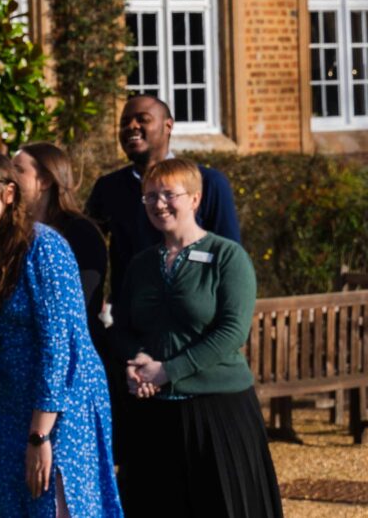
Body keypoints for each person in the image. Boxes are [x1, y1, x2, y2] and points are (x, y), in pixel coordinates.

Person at [0, 153, 123, 518]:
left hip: (62, 405)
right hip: (11, 405)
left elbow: (59, 346)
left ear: (9, 193)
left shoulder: (45, 248)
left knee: (56, 505)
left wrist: (40, 436)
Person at [109, 159, 282, 517]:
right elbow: (122, 327)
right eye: (150, 197)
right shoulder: (141, 265)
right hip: (153, 413)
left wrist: (168, 370)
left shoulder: (227, 257)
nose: (158, 204)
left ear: (195, 199)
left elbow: (232, 332)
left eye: (169, 194)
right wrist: (138, 364)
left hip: (218, 412)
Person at [83, 94, 241, 488]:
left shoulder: (208, 183)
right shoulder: (110, 188)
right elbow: (87, 254)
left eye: (142, 120)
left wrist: (176, 364)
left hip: (195, 347)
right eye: (124, 122)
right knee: (149, 478)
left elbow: (229, 260)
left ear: (168, 125)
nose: (131, 128)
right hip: (134, 347)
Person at [12, 143, 108, 358]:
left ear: (45, 181)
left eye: (18, 170)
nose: (10, 177)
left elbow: (80, 304)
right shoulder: (13, 232)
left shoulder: (81, 233)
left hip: (71, 357)